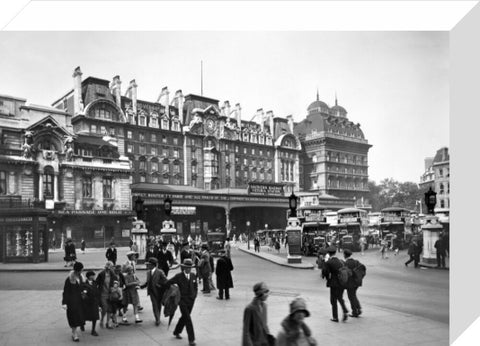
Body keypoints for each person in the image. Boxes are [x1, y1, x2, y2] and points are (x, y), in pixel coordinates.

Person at [165, 258, 198, 346]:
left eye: (190, 267)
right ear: (183, 268)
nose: (188, 269)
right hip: (182, 301)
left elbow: (195, 287)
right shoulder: (178, 276)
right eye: (186, 267)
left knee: (184, 317)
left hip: (191, 301)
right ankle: (191, 339)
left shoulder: (193, 275)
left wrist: (194, 296)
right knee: (188, 319)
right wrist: (173, 291)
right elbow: (168, 283)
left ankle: (176, 331)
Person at [322, 246, 349, 322]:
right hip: (342, 282)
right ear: (335, 253)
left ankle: (335, 317)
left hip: (334, 283)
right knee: (340, 298)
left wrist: (327, 278)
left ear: (329, 253)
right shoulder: (341, 261)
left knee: (333, 300)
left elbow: (325, 272)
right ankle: (345, 310)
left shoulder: (329, 262)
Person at [242, 282, 273, 346]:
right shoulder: (249, 309)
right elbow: (246, 332)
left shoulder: (264, 306)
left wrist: (269, 339)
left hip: (264, 342)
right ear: (260, 293)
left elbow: (265, 325)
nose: (268, 294)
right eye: (266, 292)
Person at [62, 261, 85, 342]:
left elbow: (83, 287)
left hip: (80, 300)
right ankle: (74, 333)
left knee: (79, 316)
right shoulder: (69, 279)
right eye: (81, 269)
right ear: (78, 270)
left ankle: (76, 329)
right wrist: (64, 303)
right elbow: (66, 291)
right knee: (73, 317)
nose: (82, 271)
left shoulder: (81, 277)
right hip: (72, 301)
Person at [140, 257, 167, 326]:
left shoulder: (160, 272)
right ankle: (157, 319)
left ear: (153, 265)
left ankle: (158, 317)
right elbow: (147, 282)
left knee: (158, 305)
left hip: (159, 291)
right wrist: (141, 286)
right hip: (151, 292)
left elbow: (165, 281)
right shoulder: (148, 273)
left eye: (149, 264)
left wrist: (160, 285)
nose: (147, 266)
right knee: (154, 305)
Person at [343, 249, 363, 318]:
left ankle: (355, 312)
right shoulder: (356, 262)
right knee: (353, 295)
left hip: (350, 283)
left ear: (345, 255)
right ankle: (359, 308)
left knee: (351, 297)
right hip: (356, 282)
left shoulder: (346, 263)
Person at [96, 261, 115, 329]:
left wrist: (114, 288)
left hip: (110, 293)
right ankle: (101, 320)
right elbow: (96, 283)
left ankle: (108, 323)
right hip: (102, 293)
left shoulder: (112, 274)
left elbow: (115, 281)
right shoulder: (101, 274)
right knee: (104, 308)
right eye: (109, 267)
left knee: (109, 309)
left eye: (111, 267)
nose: (110, 268)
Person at [82, 271, 100, 336]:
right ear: (89, 276)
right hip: (87, 303)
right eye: (92, 275)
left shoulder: (95, 282)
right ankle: (82, 324)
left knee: (94, 317)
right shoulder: (84, 284)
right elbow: (83, 293)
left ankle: (93, 330)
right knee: (84, 315)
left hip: (94, 302)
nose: (94, 276)